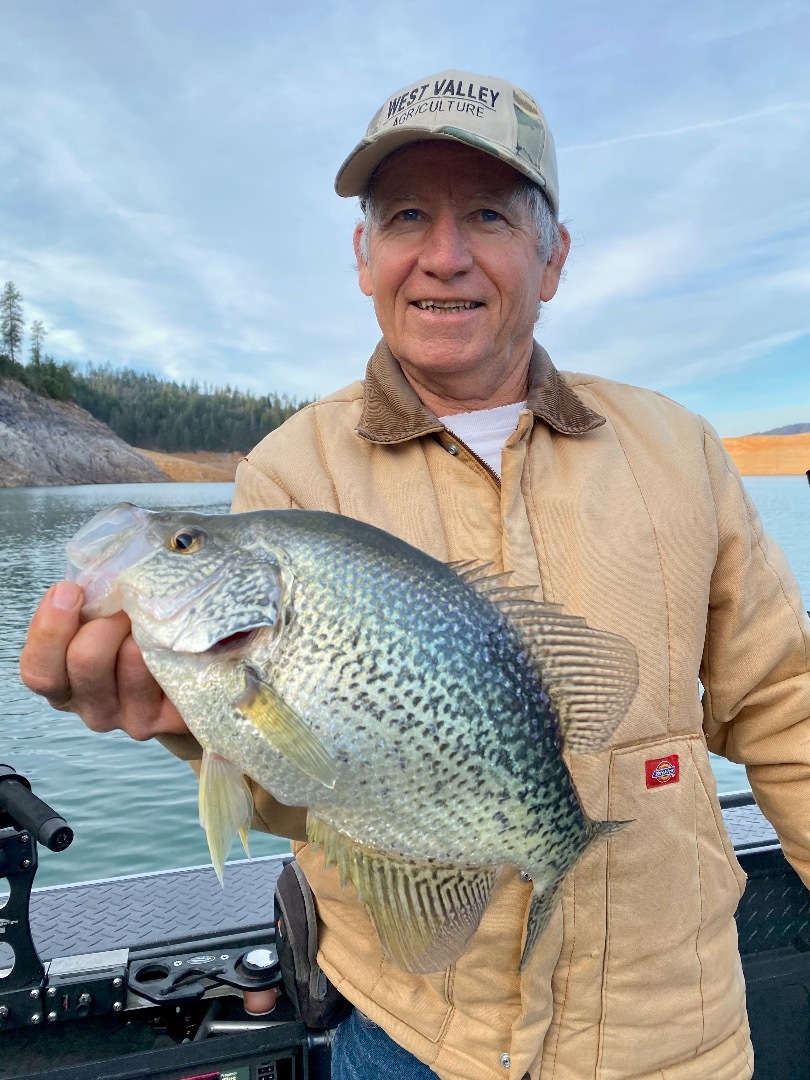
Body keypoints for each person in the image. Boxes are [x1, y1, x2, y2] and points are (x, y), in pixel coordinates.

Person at [20, 69, 810, 1080]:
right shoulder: (288, 474)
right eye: (405, 216)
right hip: (415, 1040)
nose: (444, 256)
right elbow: (296, 792)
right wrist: (194, 725)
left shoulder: (677, 446)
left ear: (552, 255)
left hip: (677, 1035)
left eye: (486, 212)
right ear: (364, 254)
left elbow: (783, 698)